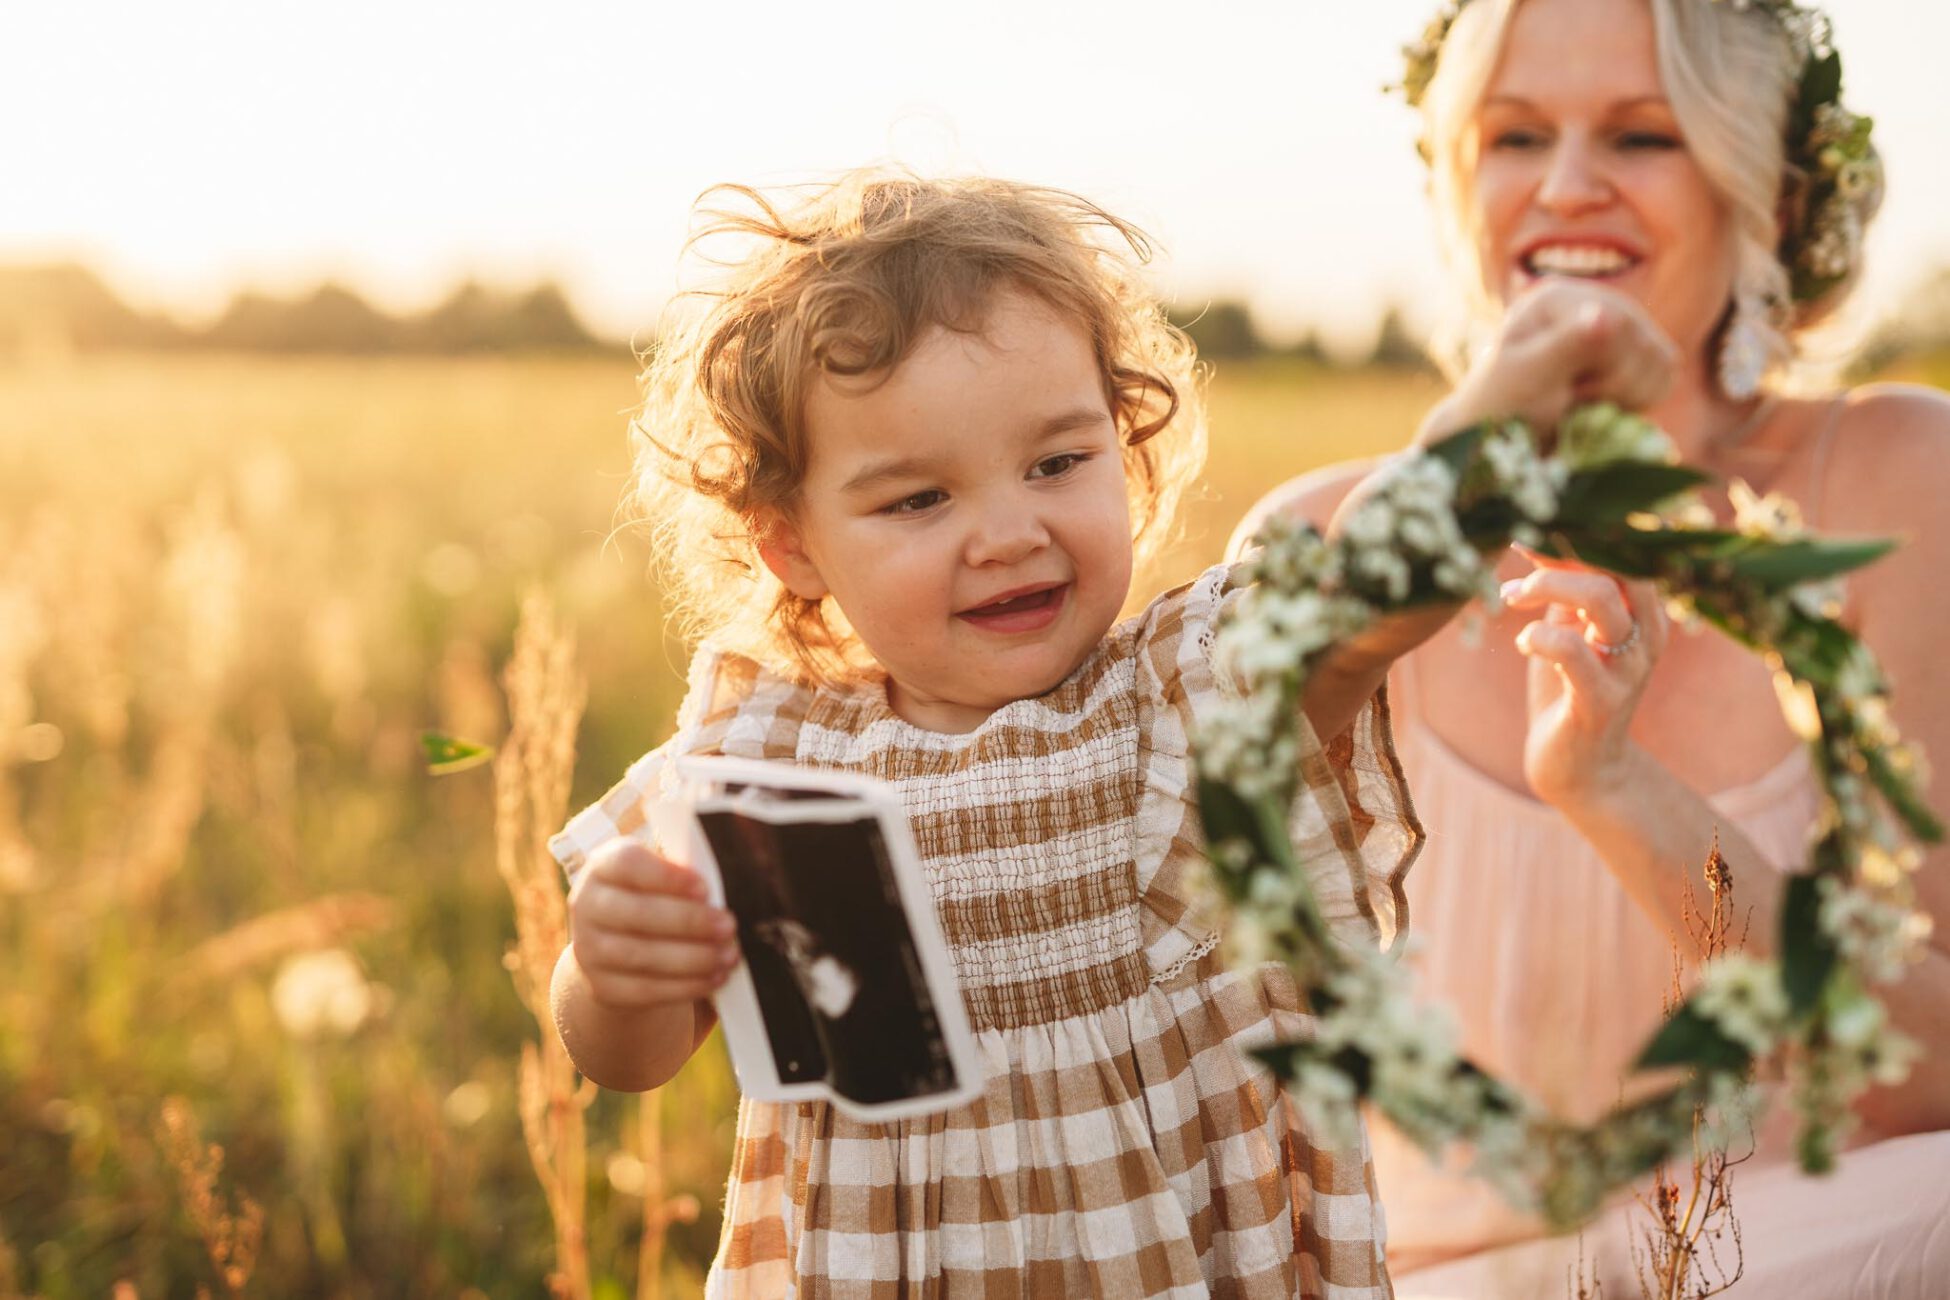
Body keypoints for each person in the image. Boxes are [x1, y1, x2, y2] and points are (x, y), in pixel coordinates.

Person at [544, 170, 1672, 1296]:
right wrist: (617, 965)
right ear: (791, 543)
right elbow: (627, 1057)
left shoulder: (1170, 711)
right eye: (918, 500)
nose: (1007, 532)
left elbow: (1364, 598)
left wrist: (1501, 416)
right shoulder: (761, 760)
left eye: (1057, 462)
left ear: (1124, 450)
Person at [1235, 0, 1950, 1292]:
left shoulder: (1897, 482)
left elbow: (1929, 1081)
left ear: (1770, 191)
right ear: (1458, 180)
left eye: (1641, 135)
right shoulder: (1313, 540)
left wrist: (1614, 792)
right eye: (1513, 137)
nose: (1566, 188)